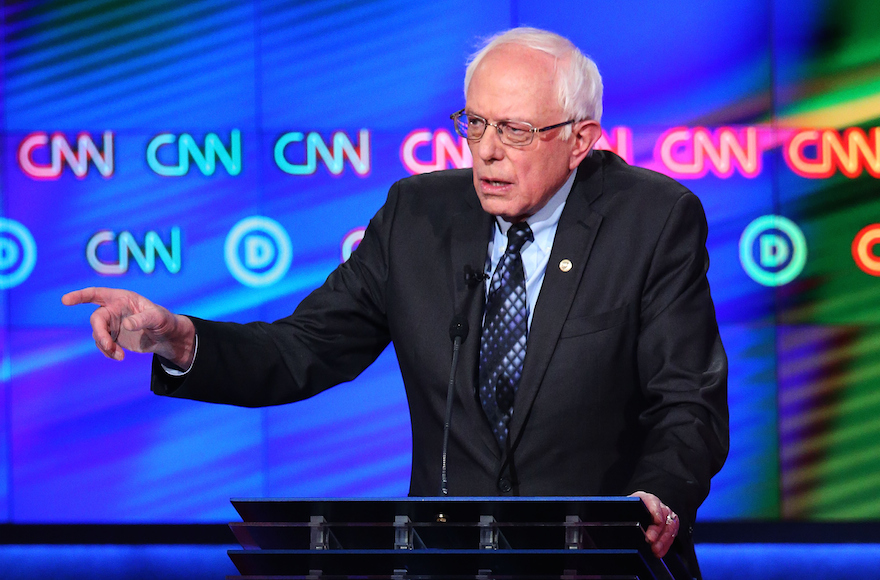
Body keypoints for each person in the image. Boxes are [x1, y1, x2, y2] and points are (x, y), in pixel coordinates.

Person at [63, 27, 728, 578]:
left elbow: (688, 402)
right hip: (448, 565)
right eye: (476, 123)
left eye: (516, 131)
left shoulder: (652, 219)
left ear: (580, 140)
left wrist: (656, 499)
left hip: (606, 565)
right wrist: (179, 337)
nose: (488, 152)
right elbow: (303, 349)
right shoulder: (419, 216)